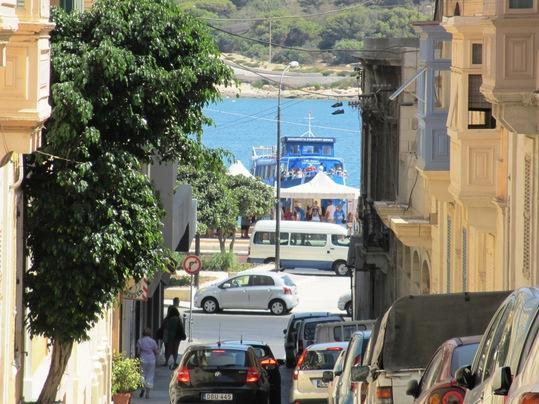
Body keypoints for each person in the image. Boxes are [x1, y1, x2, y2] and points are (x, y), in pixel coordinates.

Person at [137, 328, 159, 399]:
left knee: (142, 374)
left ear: (143, 333)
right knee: (150, 375)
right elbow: (156, 351)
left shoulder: (140, 341)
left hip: (143, 359)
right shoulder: (153, 341)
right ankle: (147, 393)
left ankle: (142, 388)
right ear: (150, 334)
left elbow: (138, 352)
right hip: (151, 360)